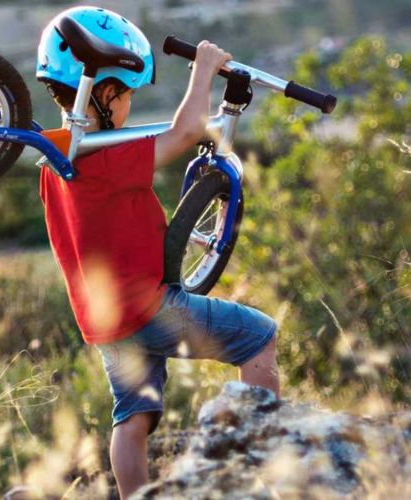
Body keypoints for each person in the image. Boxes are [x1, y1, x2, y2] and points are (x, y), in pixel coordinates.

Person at [35, 6, 280, 499]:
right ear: (104, 94)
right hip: (149, 308)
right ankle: (258, 463)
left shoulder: (55, 160)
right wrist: (205, 69)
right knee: (258, 338)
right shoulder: (108, 157)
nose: (127, 107)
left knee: (134, 416)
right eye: (125, 96)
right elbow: (186, 133)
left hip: (107, 321)